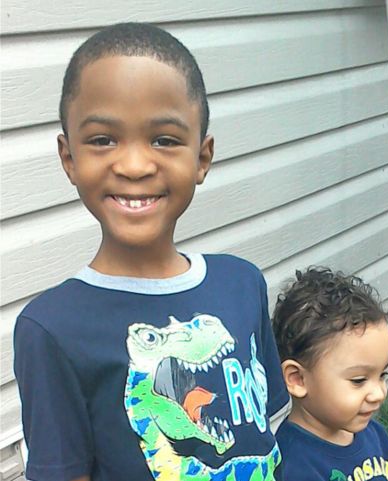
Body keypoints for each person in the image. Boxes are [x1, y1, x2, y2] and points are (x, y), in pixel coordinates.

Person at [13, 22, 289, 481]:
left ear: (202, 158)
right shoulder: (50, 329)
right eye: (103, 139)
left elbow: (271, 434)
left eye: (164, 139)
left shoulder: (242, 283)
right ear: (69, 159)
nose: (135, 165)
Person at [272, 267, 388, 481]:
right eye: (359, 380)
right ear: (297, 379)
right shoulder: (293, 467)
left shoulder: (375, 435)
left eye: (382, 375)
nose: (379, 393)